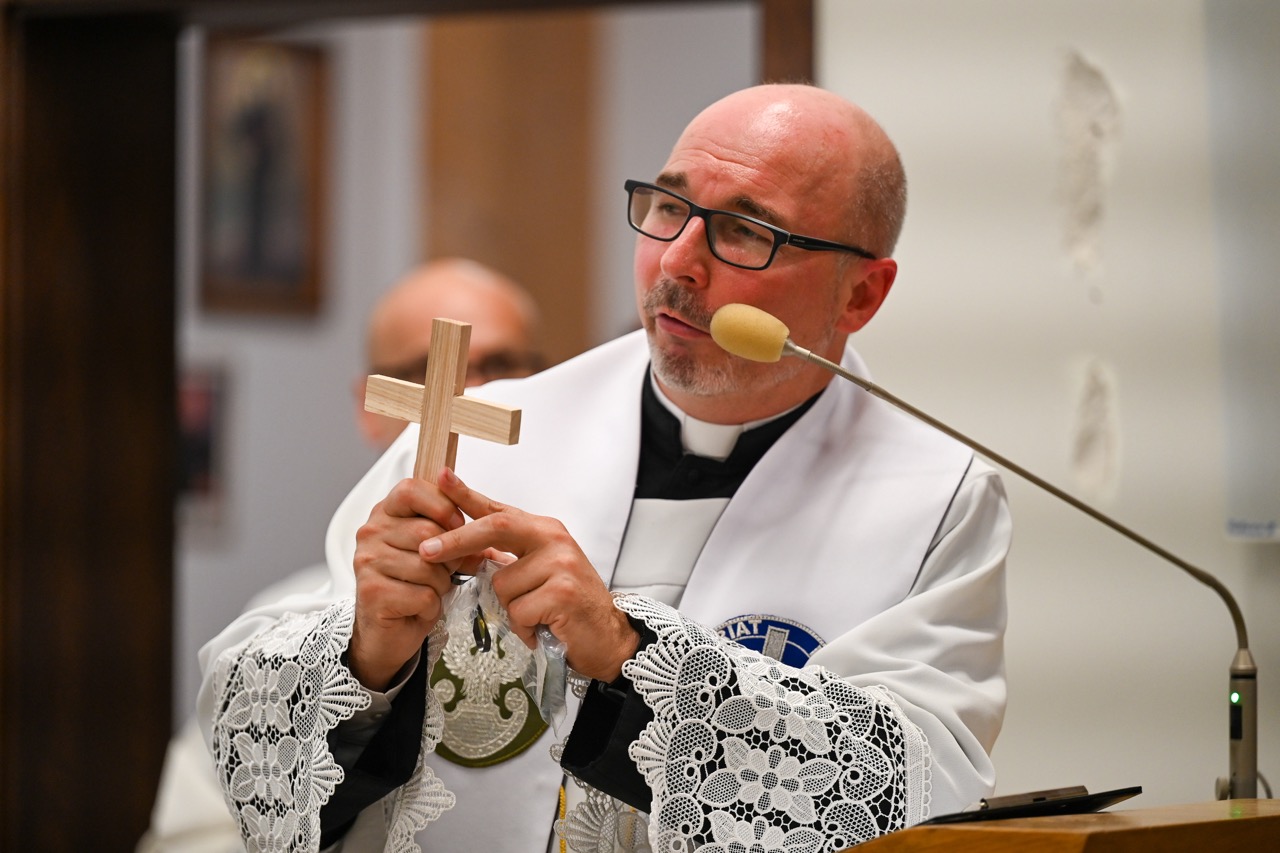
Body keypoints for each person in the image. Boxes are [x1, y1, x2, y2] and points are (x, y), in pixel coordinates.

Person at [198, 83, 1011, 853]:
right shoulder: (482, 435)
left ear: (861, 293)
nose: (677, 263)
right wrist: (366, 657)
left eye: (744, 231)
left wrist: (630, 654)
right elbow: (245, 724)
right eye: (668, 207)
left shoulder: (936, 500)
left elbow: (918, 787)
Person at [139, 258, 542, 853]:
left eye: (504, 366)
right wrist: (363, 665)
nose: (470, 393)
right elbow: (202, 833)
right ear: (370, 407)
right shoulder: (287, 629)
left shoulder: (593, 585)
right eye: (427, 371)